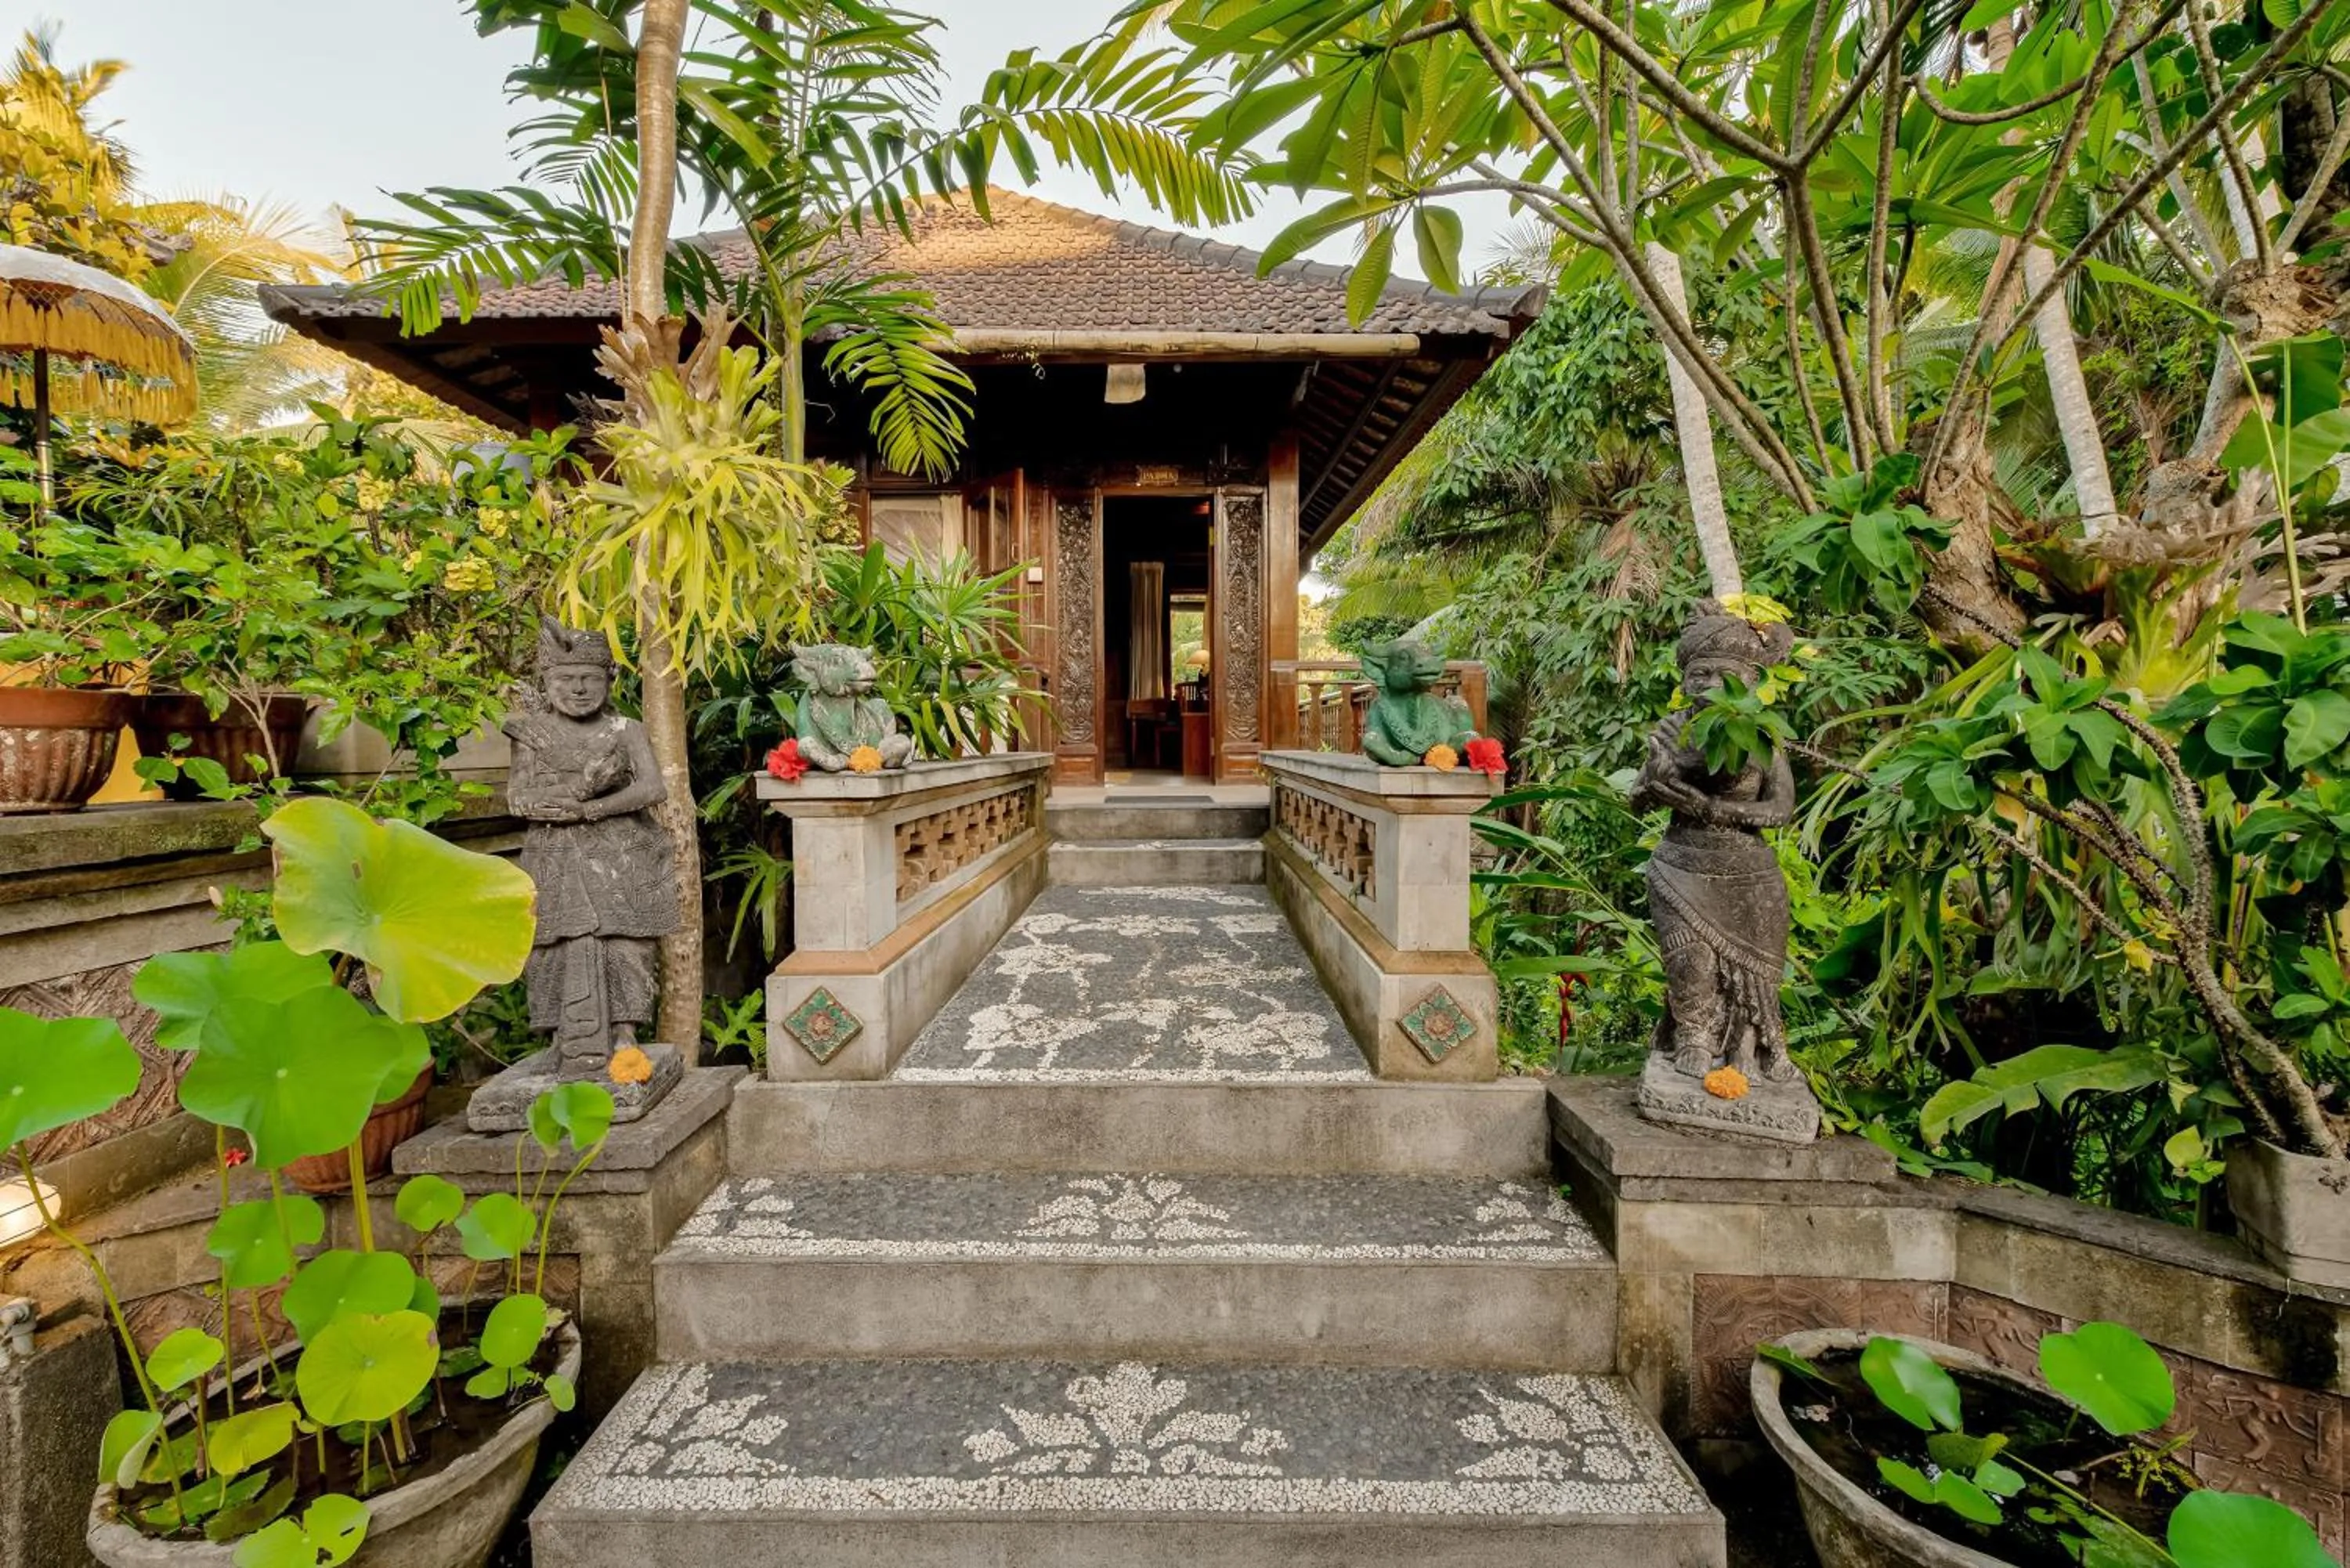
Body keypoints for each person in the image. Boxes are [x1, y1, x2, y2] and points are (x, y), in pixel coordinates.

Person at [503, 618, 678, 1076]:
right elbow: (516, 796)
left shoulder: (626, 729)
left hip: (620, 854)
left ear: (608, 681)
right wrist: (551, 803)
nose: (578, 689)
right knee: (550, 947)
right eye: (565, 679)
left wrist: (591, 809)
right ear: (546, 683)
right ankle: (562, 1037)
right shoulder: (530, 734)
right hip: (553, 854)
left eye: (589, 679)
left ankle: (625, 1032)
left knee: (626, 944)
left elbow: (653, 789)